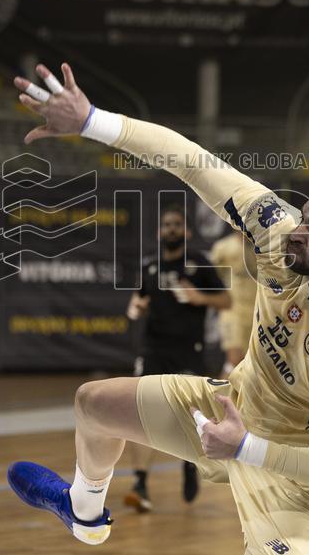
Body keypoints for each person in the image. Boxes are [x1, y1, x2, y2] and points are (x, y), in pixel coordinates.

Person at [6, 63, 309, 554]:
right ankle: (85, 511)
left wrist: (246, 449)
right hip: (229, 408)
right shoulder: (279, 233)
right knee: (93, 405)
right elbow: (191, 161)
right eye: (304, 217)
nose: (298, 232)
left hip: (296, 478)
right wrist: (92, 120)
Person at [124, 205, 230, 512]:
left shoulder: (198, 264)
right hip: (153, 349)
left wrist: (200, 298)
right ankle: (140, 482)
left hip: (189, 351)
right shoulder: (150, 268)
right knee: (141, 413)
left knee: (188, 415)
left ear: (186, 232)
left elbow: (226, 299)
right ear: (160, 232)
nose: (170, 229)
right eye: (166, 224)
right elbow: (136, 301)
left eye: (176, 225)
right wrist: (136, 308)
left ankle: (189, 463)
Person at [210, 230, 258, 376]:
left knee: (250, 363)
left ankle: (239, 398)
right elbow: (211, 278)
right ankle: (218, 396)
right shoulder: (222, 247)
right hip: (232, 309)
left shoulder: (263, 247)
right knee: (234, 359)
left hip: (256, 312)